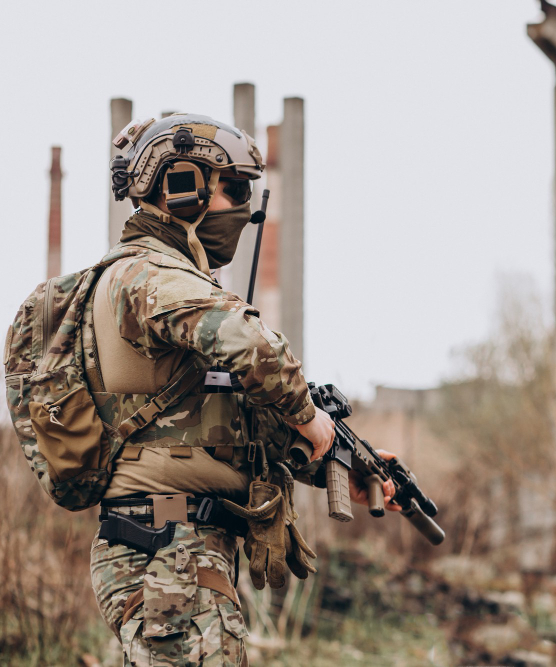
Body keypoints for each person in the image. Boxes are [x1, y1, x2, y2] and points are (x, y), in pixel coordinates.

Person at [85, 113, 398, 666]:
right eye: (233, 190)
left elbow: (218, 428)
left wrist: (340, 462)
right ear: (183, 187)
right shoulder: (146, 274)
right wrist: (308, 414)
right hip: (168, 550)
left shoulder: (166, 283)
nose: (245, 209)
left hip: (179, 548)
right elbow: (252, 346)